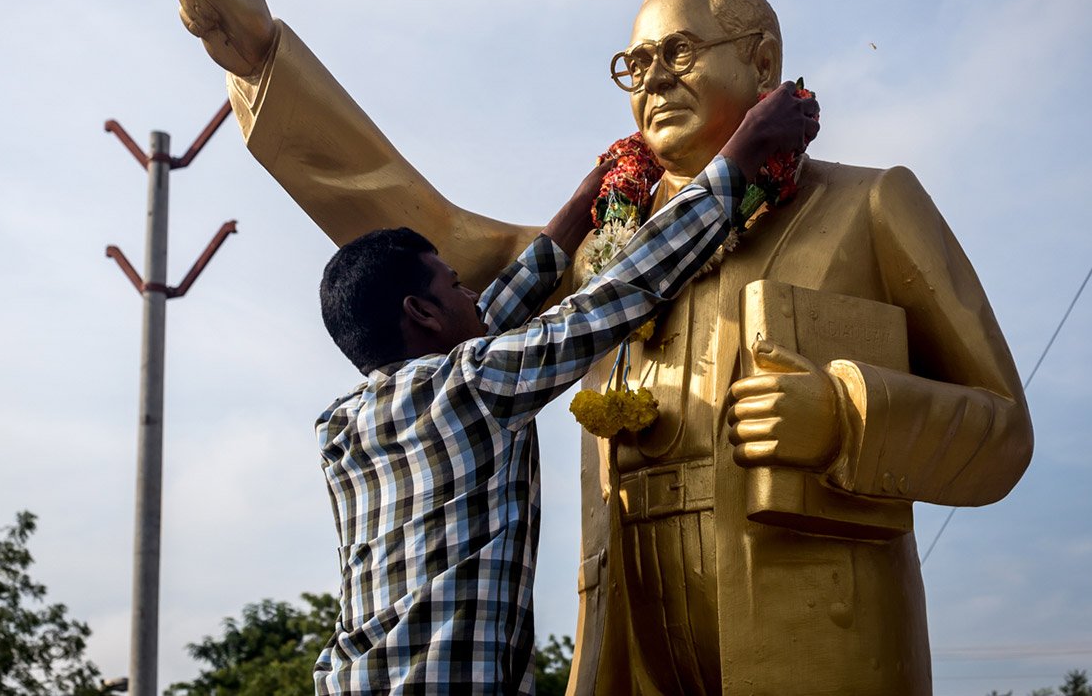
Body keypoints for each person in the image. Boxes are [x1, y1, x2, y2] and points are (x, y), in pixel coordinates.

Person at [168, 0, 1033, 696]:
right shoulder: (605, 252)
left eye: (680, 51)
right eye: (635, 63)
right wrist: (258, 59)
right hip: (632, 655)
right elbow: (418, 228)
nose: (653, 78)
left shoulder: (868, 204)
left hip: (820, 638)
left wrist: (846, 413)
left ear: (764, 61)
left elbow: (1000, 429)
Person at [310, 86, 815, 694]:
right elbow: (614, 297)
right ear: (420, 313)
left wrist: (591, 197)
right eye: (454, 285)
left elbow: (486, 324)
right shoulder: (473, 386)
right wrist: (746, 149)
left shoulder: (343, 427)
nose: (473, 294)